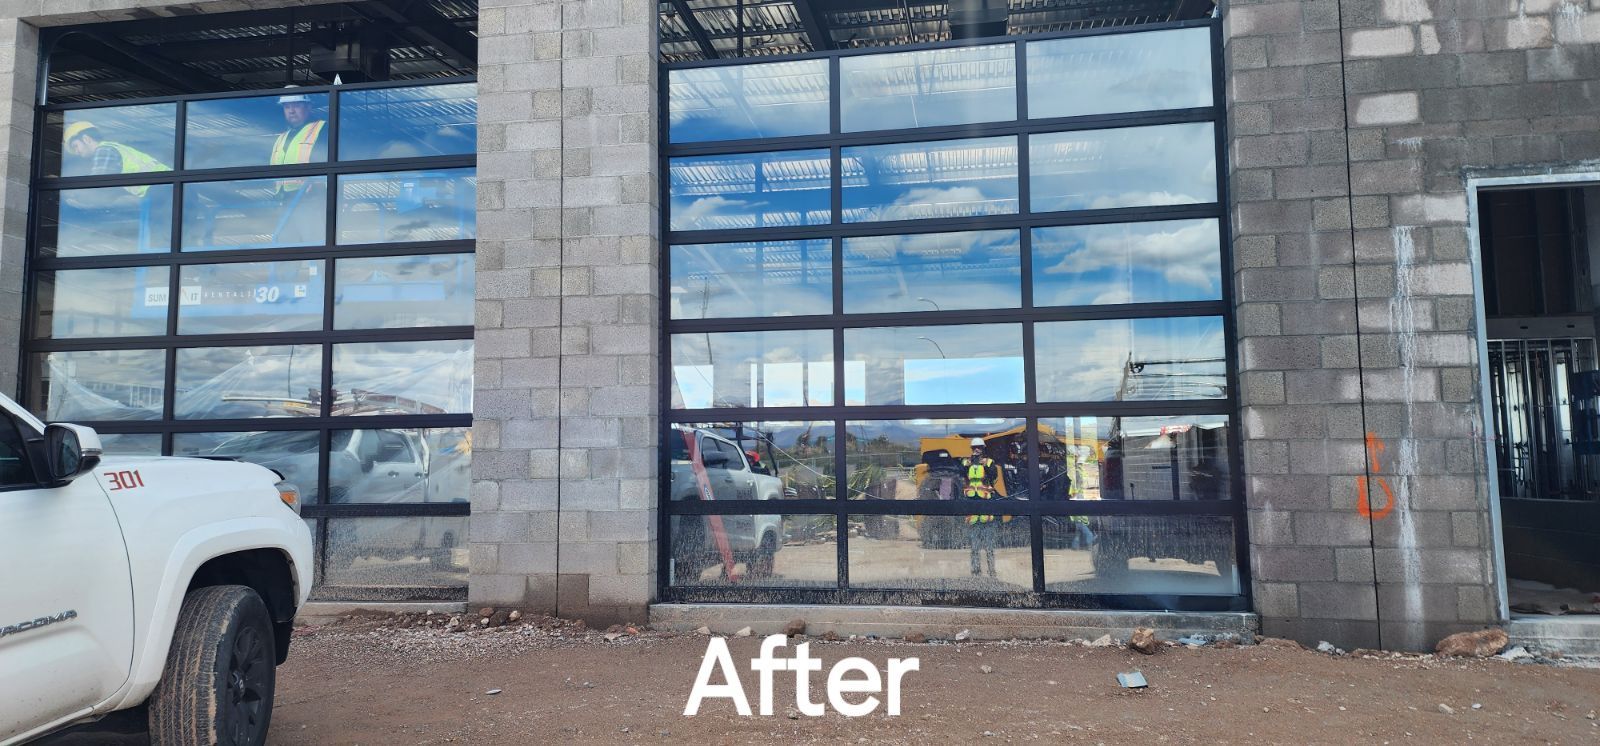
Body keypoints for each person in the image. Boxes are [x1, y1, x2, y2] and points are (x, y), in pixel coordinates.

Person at [62, 120, 170, 196]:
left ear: (86, 139)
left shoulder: (104, 150)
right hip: (164, 187)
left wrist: (73, 193)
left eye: (75, 146)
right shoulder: (115, 147)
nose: (76, 152)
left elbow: (99, 184)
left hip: (160, 189)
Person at [962, 438, 1002, 578]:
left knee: (989, 545)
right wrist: (969, 465)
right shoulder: (965, 462)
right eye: (974, 448)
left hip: (986, 505)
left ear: (983, 449)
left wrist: (984, 466)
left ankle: (992, 571)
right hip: (972, 505)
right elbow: (961, 474)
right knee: (974, 546)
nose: (977, 450)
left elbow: (994, 477)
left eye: (979, 447)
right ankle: (975, 572)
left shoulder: (989, 462)